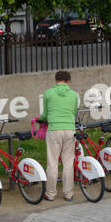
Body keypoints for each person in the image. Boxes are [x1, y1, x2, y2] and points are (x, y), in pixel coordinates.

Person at [39, 70, 78, 201]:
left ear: (56, 80)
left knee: (52, 163)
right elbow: (73, 112)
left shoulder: (48, 93)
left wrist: (42, 119)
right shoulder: (74, 95)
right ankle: (68, 194)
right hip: (70, 129)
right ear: (68, 81)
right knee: (68, 162)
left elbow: (45, 114)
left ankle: (50, 194)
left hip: (54, 129)